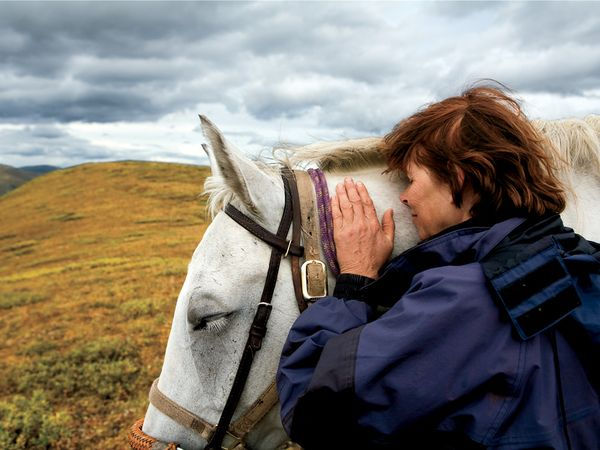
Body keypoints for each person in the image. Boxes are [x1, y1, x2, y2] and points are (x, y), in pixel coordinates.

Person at [276, 86, 600, 449]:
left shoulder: (462, 301)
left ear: (459, 178)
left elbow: (313, 411)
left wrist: (354, 282)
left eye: (412, 179)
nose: (404, 196)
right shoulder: (583, 261)